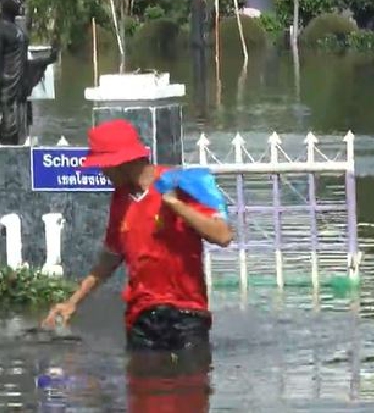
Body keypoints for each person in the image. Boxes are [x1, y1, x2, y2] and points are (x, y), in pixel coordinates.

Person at [42, 119, 233, 354]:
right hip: (140, 318)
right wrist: (73, 301)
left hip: (187, 315)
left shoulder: (183, 183)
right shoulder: (120, 199)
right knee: (141, 387)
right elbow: (111, 256)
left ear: (120, 162)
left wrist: (175, 204)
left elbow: (223, 236)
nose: (101, 172)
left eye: (103, 165)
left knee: (190, 387)